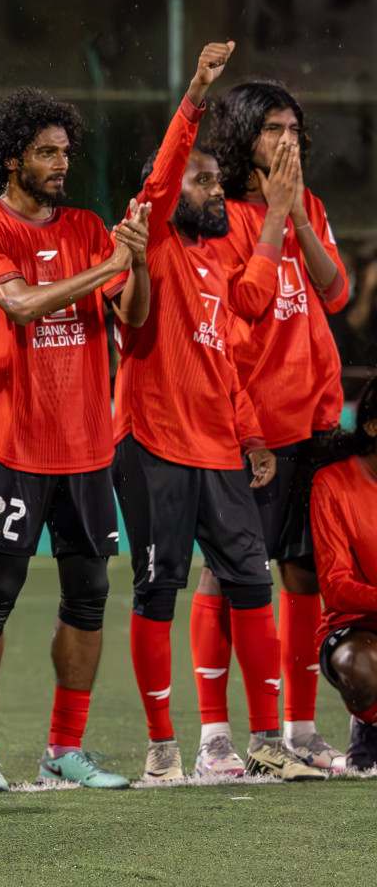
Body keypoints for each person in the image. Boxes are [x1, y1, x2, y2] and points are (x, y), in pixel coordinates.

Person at [112, 45, 325, 782]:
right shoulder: (160, 235)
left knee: (252, 584)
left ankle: (267, 743)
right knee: (159, 588)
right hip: (153, 444)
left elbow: (231, 349)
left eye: (212, 177)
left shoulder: (212, 259)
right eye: (200, 181)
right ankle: (166, 748)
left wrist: (249, 432)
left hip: (217, 448)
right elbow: (170, 166)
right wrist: (197, 92)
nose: (210, 188)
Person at [0, 84, 153, 792]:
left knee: (90, 593)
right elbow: (21, 305)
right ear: (11, 160)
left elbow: (135, 317)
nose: (60, 164)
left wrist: (140, 259)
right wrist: (107, 265)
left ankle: (64, 748)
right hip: (15, 445)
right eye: (45, 153)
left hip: (89, 447)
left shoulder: (91, 226)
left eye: (65, 151)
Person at [193, 82, 350, 771]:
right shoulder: (218, 216)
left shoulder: (306, 203)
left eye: (294, 127)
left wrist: (299, 218)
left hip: (316, 418)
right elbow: (241, 312)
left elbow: (336, 292)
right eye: (273, 128)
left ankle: (301, 730)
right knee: (227, 577)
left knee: (303, 576)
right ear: (243, 135)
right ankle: (212, 737)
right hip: (249, 424)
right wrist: (271, 219)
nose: (287, 138)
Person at [309, 378, 377, 772]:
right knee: (360, 664)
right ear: (371, 426)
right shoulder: (334, 482)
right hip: (355, 627)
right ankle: (370, 724)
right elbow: (335, 588)